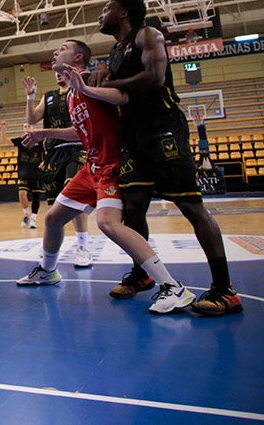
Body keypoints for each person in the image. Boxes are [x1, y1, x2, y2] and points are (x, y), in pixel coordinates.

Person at [15, 40, 195, 315]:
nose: (54, 52)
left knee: (107, 224)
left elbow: (123, 97)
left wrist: (87, 88)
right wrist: (43, 133)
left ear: (77, 58)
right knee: (53, 218)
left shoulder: (91, 80)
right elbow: (81, 132)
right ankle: (48, 271)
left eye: (61, 48)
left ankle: (173, 287)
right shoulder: (73, 94)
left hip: (113, 165)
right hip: (92, 167)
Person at [94, 0, 241, 316]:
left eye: (106, 8)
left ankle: (225, 289)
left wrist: (112, 81)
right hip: (134, 135)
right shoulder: (116, 50)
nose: (101, 14)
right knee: (133, 207)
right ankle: (142, 273)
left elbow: (154, 77)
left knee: (190, 205)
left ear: (123, 12)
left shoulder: (148, 35)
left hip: (163, 129)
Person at [24, 72, 92, 268]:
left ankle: (83, 247)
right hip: (54, 152)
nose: (58, 74)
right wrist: (30, 97)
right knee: (56, 205)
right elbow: (32, 118)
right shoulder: (49, 95)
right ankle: (51, 246)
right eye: (56, 71)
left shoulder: (79, 91)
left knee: (74, 198)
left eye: (62, 70)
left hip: (77, 148)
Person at [2, 120, 44, 229]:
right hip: (24, 173)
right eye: (25, 126)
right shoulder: (20, 141)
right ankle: (26, 214)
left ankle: (33, 219)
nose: (27, 128)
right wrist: (3, 129)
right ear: (23, 129)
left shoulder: (40, 140)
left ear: (33, 128)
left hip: (37, 173)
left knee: (36, 197)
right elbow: (4, 142)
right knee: (22, 193)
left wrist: (45, 161)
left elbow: (48, 151)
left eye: (29, 126)